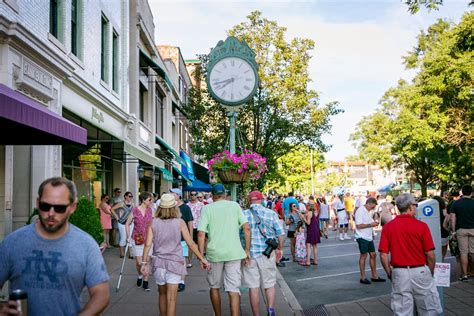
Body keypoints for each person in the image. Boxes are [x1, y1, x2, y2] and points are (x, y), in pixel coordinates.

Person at [0, 177, 110, 315]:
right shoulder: (12, 242)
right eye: (45, 206)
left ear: (72, 207)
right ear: (37, 203)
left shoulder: (86, 245)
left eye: (59, 208)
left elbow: (101, 293)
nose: (51, 214)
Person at [140, 194, 210, 316]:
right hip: (175, 263)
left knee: (161, 294)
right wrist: (202, 258)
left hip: (159, 263)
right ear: (174, 207)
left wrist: (144, 263)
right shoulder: (180, 222)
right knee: (171, 299)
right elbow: (191, 244)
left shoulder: (153, 222)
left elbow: (147, 245)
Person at [378, 193, 442, 315]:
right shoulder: (422, 226)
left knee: (402, 310)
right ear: (410, 207)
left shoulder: (388, 227)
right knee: (428, 308)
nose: (416, 207)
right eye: (415, 204)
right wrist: (430, 271)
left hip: (399, 271)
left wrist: (389, 273)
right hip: (420, 270)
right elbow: (430, 255)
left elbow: (383, 255)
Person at [198, 184, 251, 316]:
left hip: (214, 253)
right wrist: (247, 250)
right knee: (233, 289)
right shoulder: (234, 206)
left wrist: (201, 256)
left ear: (213, 195)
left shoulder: (207, 209)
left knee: (214, 287)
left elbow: (201, 234)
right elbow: (247, 228)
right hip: (234, 252)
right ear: (225, 194)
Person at [242, 191, 284, 316]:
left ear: (250, 201)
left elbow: (240, 235)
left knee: (253, 287)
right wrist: (280, 249)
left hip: (249, 254)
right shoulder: (271, 214)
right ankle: (270, 310)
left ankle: (256, 314)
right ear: (261, 200)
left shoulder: (243, 214)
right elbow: (280, 234)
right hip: (267, 253)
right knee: (269, 284)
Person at [125, 191, 154, 291]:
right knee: (139, 262)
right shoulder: (135, 210)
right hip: (137, 239)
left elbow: (153, 224)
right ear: (143, 200)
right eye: (150, 199)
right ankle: (140, 275)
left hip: (149, 239)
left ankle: (146, 281)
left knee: (147, 261)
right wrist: (128, 236)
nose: (151, 201)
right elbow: (127, 223)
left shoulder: (151, 210)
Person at [354, 197, 385, 284]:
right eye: (372, 207)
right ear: (368, 204)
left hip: (368, 236)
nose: (373, 208)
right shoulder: (360, 211)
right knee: (363, 255)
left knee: (373, 254)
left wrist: (372, 228)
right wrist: (371, 224)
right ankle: (363, 277)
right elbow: (359, 225)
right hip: (362, 236)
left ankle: (374, 276)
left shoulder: (367, 211)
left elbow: (368, 223)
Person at [170, 188, 193, 291]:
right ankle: (174, 279)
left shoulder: (185, 208)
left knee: (182, 260)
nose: (171, 195)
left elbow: (190, 223)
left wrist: (190, 237)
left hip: (183, 239)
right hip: (171, 238)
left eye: (172, 193)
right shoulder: (170, 207)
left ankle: (181, 281)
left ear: (178, 196)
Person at [450, 184, 474, 281]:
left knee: (463, 253)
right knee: (473, 252)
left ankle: (464, 274)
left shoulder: (456, 203)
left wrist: (453, 231)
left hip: (461, 230)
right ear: (471, 193)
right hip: (473, 229)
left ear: (462, 192)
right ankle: (472, 271)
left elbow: (452, 218)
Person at [300, 196, 320, 266]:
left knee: (308, 245)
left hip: (311, 229)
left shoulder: (309, 212)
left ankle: (308, 261)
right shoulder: (316, 212)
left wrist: (303, 218)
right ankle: (315, 260)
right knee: (315, 246)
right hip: (316, 229)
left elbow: (308, 223)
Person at [187, 190, 204, 268]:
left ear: (197, 195)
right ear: (190, 195)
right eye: (191, 194)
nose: (193, 196)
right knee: (190, 244)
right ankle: (189, 261)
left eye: (194, 195)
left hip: (199, 227)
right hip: (189, 227)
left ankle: (201, 259)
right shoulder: (187, 205)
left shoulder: (201, 205)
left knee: (199, 244)